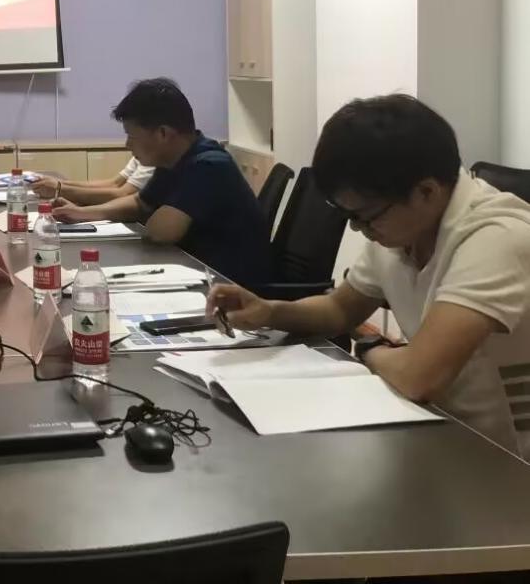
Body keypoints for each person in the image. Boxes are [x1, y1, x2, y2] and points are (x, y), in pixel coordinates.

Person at [210, 94, 530, 460]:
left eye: (365, 216)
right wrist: (270, 311)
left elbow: (418, 377)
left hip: (506, 463)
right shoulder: (402, 232)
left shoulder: (497, 237)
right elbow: (339, 309)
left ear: (426, 191)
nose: (357, 229)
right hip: (436, 431)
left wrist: (370, 351)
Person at [52, 78, 270, 290]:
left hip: (232, 289)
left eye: (132, 136)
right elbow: (140, 203)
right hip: (196, 272)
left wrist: (151, 213)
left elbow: (161, 232)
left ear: (163, 133)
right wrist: (81, 214)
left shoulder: (209, 165)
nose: (127, 144)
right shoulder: (174, 159)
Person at [32, 155, 155, 205]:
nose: (127, 144)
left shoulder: (153, 158)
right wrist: (60, 183)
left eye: (131, 135)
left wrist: (60, 190)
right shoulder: (144, 151)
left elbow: (123, 194)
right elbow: (115, 183)